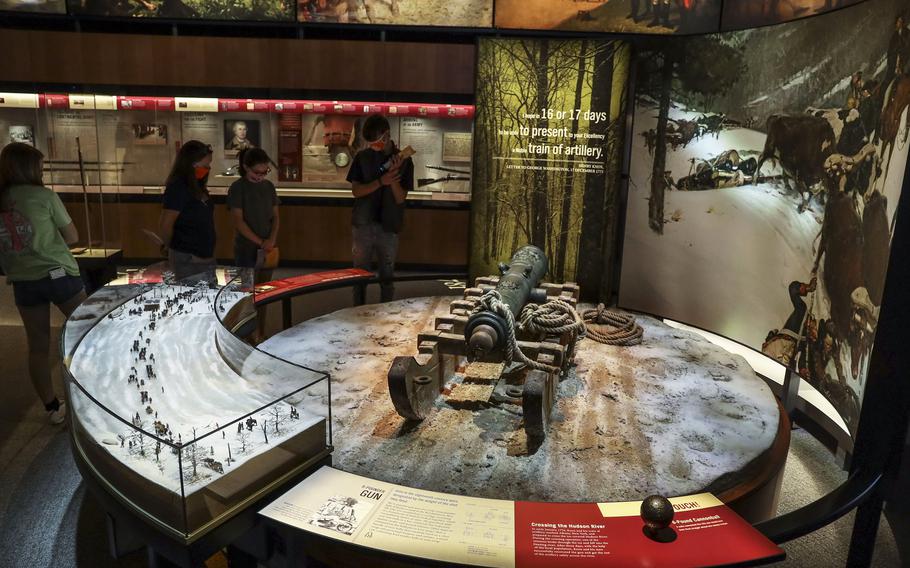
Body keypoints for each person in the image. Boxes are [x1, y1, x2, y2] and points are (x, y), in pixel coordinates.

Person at [0, 143, 86, 424]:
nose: (41, 171)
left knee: (37, 345)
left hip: (24, 280)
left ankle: (52, 407)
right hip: (58, 274)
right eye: (39, 166)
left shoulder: (2, 200)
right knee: (86, 333)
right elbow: (72, 236)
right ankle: (88, 397)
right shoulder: (44, 196)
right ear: (29, 168)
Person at [346, 114, 413, 303]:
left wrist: (392, 176)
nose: (373, 146)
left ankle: (387, 313)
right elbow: (356, 191)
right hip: (363, 224)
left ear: (386, 135)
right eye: (370, 142)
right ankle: (357, 312)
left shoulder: (404, 160)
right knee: (359, 277)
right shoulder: (362, 157)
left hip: (389, 225)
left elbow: (400, 198)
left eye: (376, 142)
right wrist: (380, 182)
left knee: (387, 276)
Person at [158, 141, 216, 281]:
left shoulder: (198, 185)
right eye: (203, 166)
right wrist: (169, 246)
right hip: (187, 257)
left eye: (208, 166)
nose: (207, 169)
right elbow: (166, 223)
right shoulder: (178, 187)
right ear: (190, 164)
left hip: (204, 257)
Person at [227, 148, 280, 283]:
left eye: (265, 172)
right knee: (247, 289)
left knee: (265, 289)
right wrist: (261, 242)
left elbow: (275, 217)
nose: (260, 177)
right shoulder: (238, 188)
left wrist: (271, 240)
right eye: (256, 172)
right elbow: (239, 222)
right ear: (246, 167)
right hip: (246, 249)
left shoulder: (268, 187)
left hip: (268, 248)